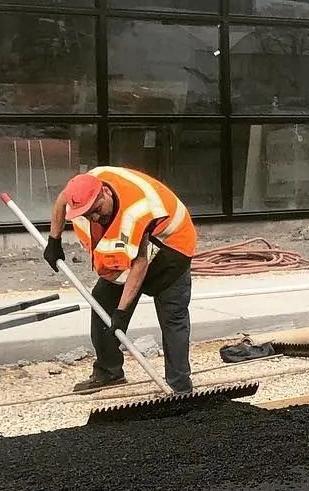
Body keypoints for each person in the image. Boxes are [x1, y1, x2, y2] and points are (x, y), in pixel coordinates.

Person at [43, 167, 197, 395]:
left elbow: (140, 263)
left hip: (171, 248)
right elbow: (61, 201)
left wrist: (122, 311)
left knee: (173, 318)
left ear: (104, 192)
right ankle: (109, 371)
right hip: (134, 252)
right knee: (102, 306)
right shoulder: (82, 188)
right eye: (87, 214)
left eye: (96, 210)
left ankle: (179, 386)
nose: (94, 218)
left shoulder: (139, 210)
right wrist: (54, 240)